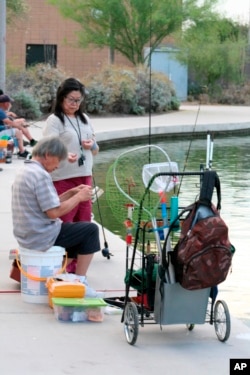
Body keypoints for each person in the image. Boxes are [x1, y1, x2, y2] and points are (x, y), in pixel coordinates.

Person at [11, 136, 101, 295]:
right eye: (58, 160)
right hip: (40, 235)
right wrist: (79, 198)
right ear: (47, 155)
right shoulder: (41, 175)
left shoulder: (26, 170)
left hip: (28, 233)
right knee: (90, 230)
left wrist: (71, 193)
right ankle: (80, 281)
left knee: (75, 232)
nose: (58, 165)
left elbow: (46, 205)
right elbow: (53, 213)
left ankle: (62, 277)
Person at [43, 78, 99, 272]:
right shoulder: (55, 120)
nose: (75, 104)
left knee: (84, 221)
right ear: (61, 98)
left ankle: (75, 268)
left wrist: (92, 146)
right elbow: (47, 149)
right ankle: (61, 265)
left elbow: (96, 148)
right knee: (65, 222)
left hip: (85, 175)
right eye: (71, 100)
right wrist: (65, 154)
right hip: (63, 178)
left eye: (78, 100)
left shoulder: (84, 119)